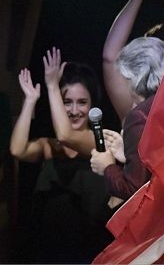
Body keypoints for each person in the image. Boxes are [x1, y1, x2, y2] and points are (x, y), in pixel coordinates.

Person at [9, 48, 111, 263]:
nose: (74, 110)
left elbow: (66, 135)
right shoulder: (50, 146)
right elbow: (17, 150)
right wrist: (30, 100)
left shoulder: (99, 141)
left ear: (92, 105)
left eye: (82, 102)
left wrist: (52, 86)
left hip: (89, 252)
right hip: (49, 250)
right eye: (67, 102)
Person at [90, 37, 164, 203]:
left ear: (134, 76)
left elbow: (133, 189)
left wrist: (107, 167)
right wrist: (130, 156)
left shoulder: (139, 117)